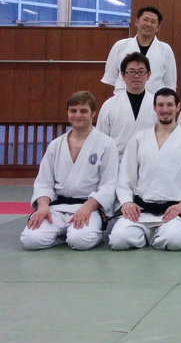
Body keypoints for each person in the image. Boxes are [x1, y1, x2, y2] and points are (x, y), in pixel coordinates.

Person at [109, 88, 181, 251]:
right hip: (140, 211)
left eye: (170, 105)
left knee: (175, 241)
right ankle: (151, 235)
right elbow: (125, 177)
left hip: (173, 211)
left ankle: (153, 236)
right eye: (160, 105)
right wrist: (127, 202)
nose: (165, 109)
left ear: (178, 107)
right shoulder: (139, 138)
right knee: (118, 240)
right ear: (154, 108)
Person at [21, 91, 118, 250]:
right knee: (30, 239)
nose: (77, 115)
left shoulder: (106, 144)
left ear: (93, 113)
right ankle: (62, 235)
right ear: (67, 113)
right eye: (73, 110)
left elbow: (109, 185)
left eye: (83, 111)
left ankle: (94, 232)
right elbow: (44, 182)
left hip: (88, 207)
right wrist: (43, 206)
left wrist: (88, 207)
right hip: (57, 208)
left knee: (80, 240)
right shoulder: (56, 145)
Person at [101, 6, 176, 94]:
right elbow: (110, 78)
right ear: (136, 22)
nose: (148, 24)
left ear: (157, 27)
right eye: (145, 19)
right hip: (123, 97)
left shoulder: (165, 49)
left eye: (153, 21)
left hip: (154, 99)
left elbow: (170, 83)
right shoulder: (120, 46)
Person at [97, 52, 157, 160]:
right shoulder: (109, 105)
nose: (136, 76)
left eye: (141, 72)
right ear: (123, 75)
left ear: (148, 75)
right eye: (131, 72)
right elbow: (100, 139)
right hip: (117, 161)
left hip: (149, 160)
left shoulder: (157, 104)